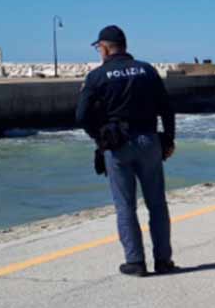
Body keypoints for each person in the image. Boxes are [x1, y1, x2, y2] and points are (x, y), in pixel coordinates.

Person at [76, 25, 177, 276]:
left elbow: (81, 115)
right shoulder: (147, 70)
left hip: (117, 145)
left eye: (99, 47)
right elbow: (167, 107)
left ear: (106, 47)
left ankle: (136, 262)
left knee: (125, 207)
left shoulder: (98, 76)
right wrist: (169, 139)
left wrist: (99, 137)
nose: (99, 52)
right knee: (157, 204)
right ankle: (163, 260)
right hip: (149, 140)